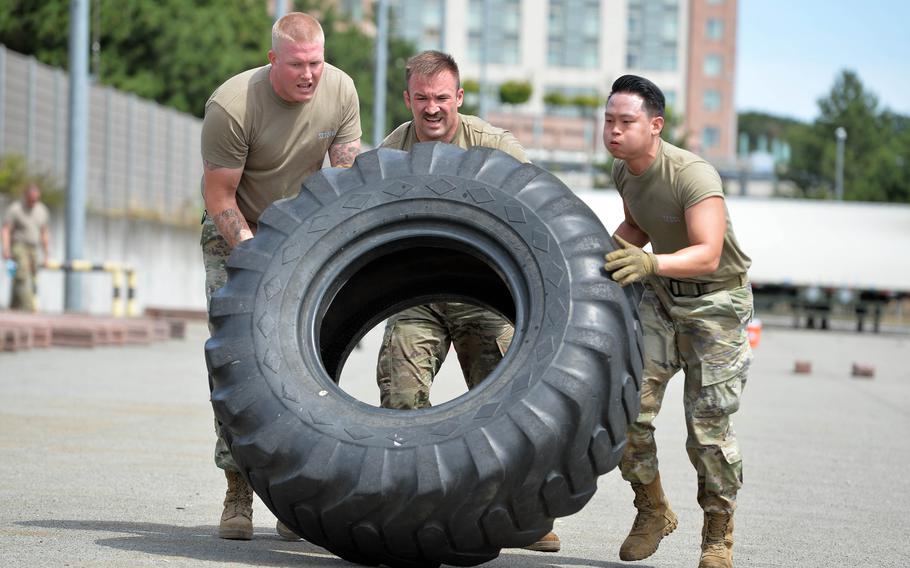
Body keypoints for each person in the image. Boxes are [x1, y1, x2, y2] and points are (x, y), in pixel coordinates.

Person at [377, 50, 559, 554]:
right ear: (408, 98)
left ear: (459, 97)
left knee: (507, 407)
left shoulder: (493, 147)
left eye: (441, 98)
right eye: (421, 98)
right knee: (400, 397)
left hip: (482, 293)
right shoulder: (395, 147)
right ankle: (413, 509)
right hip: (419, 295)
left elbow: (541, 204)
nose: (431, 109)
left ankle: (527, 513)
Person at [200, 12, 361, 542]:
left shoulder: (340, 90)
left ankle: (296, 495)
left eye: (316, 62)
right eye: (297, 64)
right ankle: (238, 490)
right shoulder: (232, 106)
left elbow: (344, 178)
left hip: (301, 238)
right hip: (237, 234)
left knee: (308, 365)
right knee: (238, 365)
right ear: (274, 60)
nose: (310, 74)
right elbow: (220, 197)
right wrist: (254, 256)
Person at [601, 75, 752, 568]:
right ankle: (652, 510)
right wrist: (600, 254)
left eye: (626, 122)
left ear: (655, 125)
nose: (614, 131)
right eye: (608, 121)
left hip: (716, 307)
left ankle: (717, 534)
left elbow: (708, 254)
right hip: (663, 300)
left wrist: (649, 264)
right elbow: (639, 226)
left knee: (707, 432)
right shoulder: (624, 170)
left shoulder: (693, 174)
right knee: (627, 412)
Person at [2, 183, 50, 311]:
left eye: (36, 199)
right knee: (22, 275)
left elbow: (44, 233)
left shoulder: (41, 210)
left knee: (25, 276)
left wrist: (46, 255)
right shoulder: (16, 209)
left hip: (33, 248)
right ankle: (29, 309)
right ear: (26, 196)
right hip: (18, 246)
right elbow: (6, 230)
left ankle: (13, 307)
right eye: (31, 199)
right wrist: (6, 249)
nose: (33, 202)